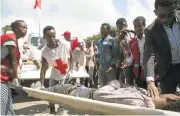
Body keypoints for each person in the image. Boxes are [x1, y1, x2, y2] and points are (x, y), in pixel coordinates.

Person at [144, 0, 180, 98]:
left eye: (171, 14)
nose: (167, 19)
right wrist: (150, 82)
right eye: (162, 16)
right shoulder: (150, 31)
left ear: (176, 8)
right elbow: (149, 55)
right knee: (168, 102)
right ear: (155, 13)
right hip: (167, 71)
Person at [40, 26, 71, 114]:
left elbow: (72, 57)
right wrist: (41, 84)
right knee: (50, 91)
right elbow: (43, 68)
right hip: (54, 73)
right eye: (49, 37)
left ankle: (61, 108)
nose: (52, 39)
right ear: (44, 37)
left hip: (65, 72)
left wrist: (70, 69)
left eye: (54, 36)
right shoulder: (44, 51)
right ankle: (51, 107)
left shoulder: (64, 45)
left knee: (62, 92)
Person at [0, 20, 27, 115]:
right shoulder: (10, 39)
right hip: (1, 79)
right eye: (23, 27)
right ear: (16, 28)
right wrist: (15, 77)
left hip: (5, 78)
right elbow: (13, 60)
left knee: (7, 106)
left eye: (26, 28)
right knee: (2, 106)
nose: (25, 30)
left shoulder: (14, 40)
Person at [117, 18, 136, 85]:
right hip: (127, 62)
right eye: (121, 26)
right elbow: (119, 50)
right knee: (129, 83)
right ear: (118, 27)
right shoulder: (119, 36)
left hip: (136, 60)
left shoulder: (132, 33)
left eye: (124, 25)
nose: (123, 27)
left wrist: (130, 30)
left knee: (139, 82)